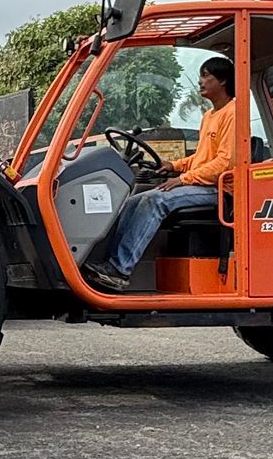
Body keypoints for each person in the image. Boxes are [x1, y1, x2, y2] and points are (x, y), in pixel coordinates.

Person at [87, 55, 238, 292]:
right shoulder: (209, 116)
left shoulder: (233, 112)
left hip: (219, 190)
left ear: (224, 80)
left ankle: (120, 270)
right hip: (201, 184)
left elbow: (225, 163)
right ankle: (108, 264)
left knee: (155, 200)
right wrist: (175, 165)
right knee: (132, 201)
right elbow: (202, 157)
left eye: (206, 75)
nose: (200, 82)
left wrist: (182, 179)